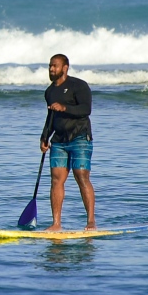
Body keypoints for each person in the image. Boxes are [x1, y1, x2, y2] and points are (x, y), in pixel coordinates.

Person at [40, 53, 94, 230]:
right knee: (56, 180)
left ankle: (91, 221)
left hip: (80, 137)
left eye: (54, 66)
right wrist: (44, 137)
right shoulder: (50, 91)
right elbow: (51, 116)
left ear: (65, 68)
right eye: (49, 66)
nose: (51, 69)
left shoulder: (79, 85)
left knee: (81, 176)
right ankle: (56, 224)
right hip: (59, 141)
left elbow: (86, 109)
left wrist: (64, 107)